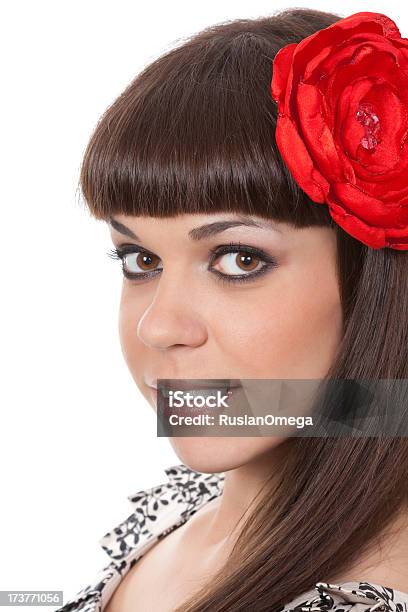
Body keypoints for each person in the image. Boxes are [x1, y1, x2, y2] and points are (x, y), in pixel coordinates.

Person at [56, 6, 408, 612]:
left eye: (239, 260)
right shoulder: (180, 515)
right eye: (139, 260)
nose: (159, 327)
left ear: (376, 283)